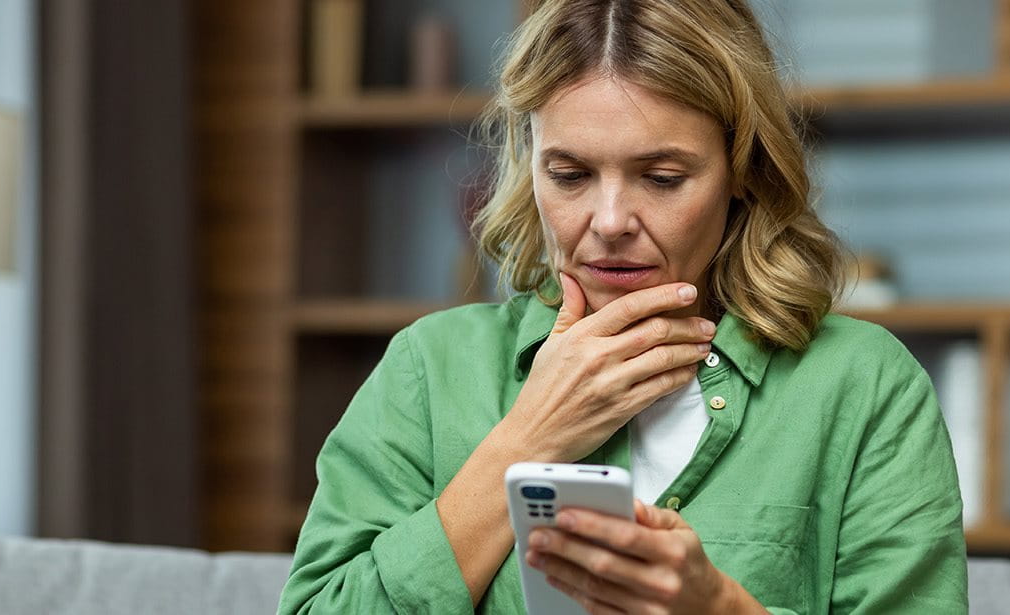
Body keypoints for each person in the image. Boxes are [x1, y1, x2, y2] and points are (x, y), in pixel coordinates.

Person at [277, 0, 967, 612]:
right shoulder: (430, 369)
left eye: (662, 177)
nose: (609, 220)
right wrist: (527, 440)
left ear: (743, 173)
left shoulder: (865, 387)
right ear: (530, 164)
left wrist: (718, 609)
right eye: (570, 174)